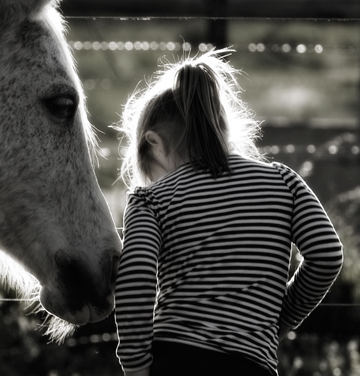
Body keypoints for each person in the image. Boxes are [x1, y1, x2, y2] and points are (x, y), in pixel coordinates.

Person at [114, 49, 344, 376]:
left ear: (153, 143)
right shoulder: (282, 181)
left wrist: (136, 366)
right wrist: (281, 317)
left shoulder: (150, 199)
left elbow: (135, 281)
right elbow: (327, 255)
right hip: (251, 365)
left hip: (176, 362)